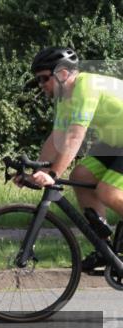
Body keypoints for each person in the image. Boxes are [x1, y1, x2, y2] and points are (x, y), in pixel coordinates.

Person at [20, 47, 123, 271]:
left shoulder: (87, 87)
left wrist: (54, 174)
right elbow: (56, 139)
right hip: (116, 141)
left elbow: (75, 136)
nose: (41, 85)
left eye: (44, 78)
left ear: (63, 73)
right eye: (38, 80)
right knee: (81, 175)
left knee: (108, 191)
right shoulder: (66, 97)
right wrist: (37, 172)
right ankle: (106, 251)